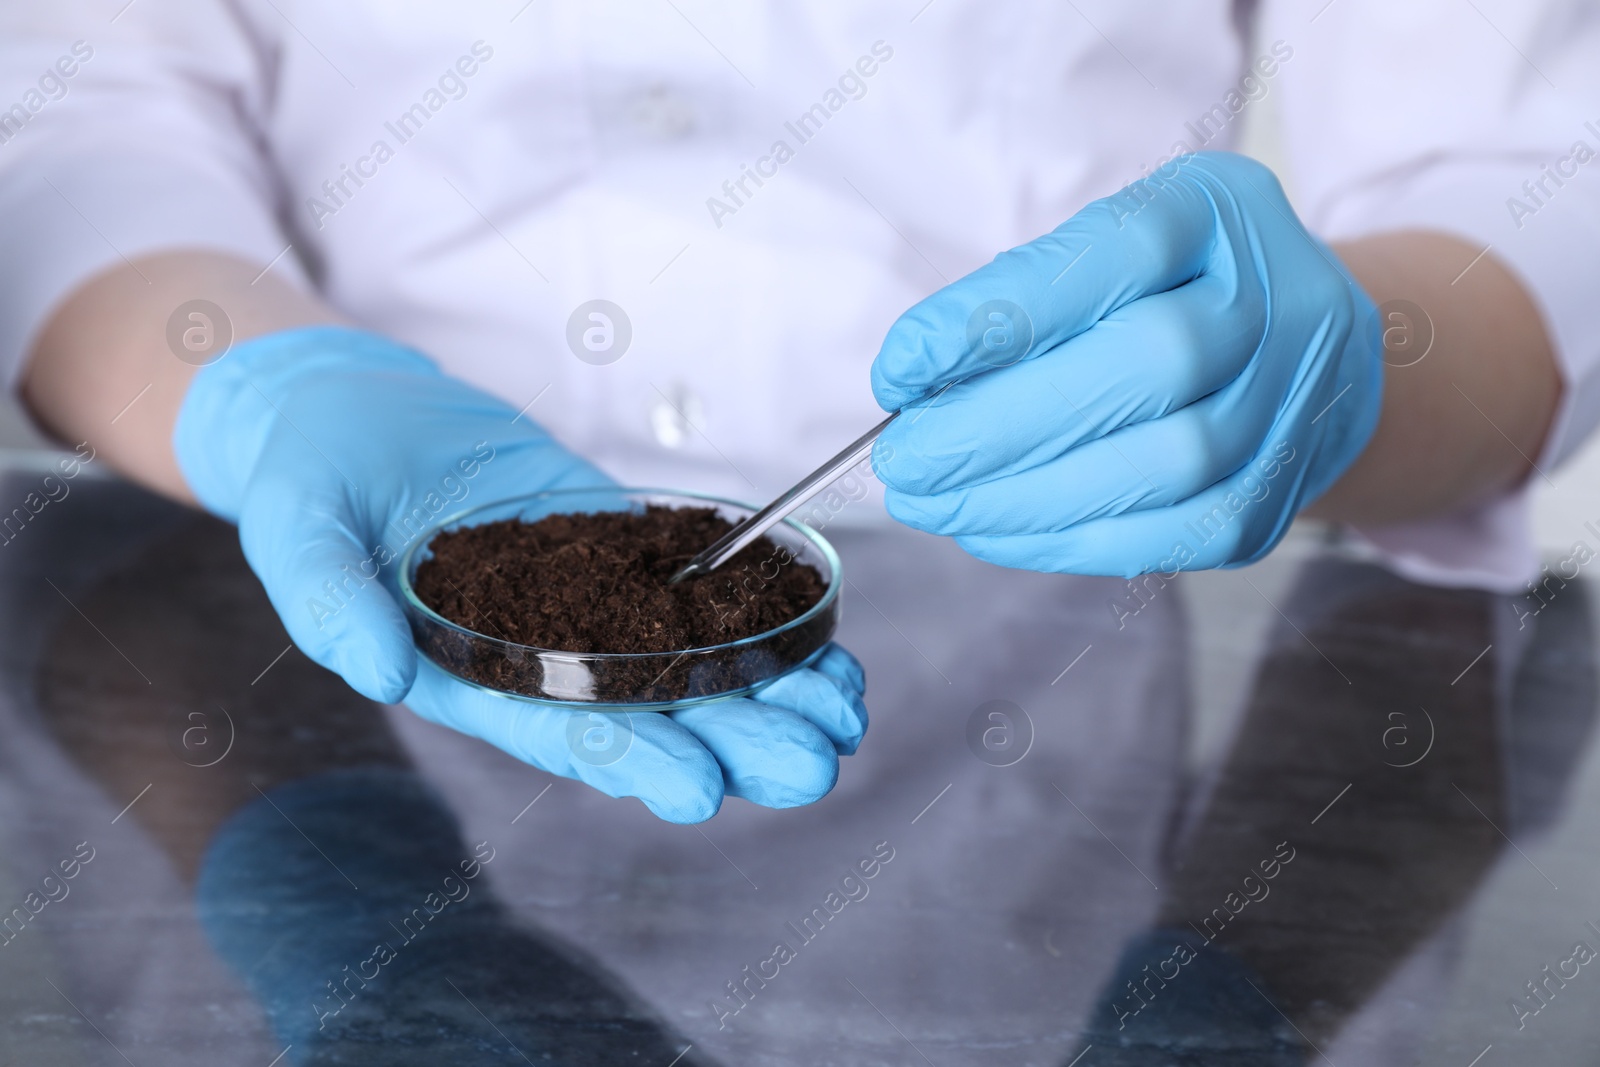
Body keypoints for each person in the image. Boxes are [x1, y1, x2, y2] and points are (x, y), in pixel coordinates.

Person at [3, 1, 1596, 824]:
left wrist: (1344, 371)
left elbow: (1530, 171)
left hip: (1031, 733)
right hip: (276, 636)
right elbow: (73, 96)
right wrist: (271, 389)